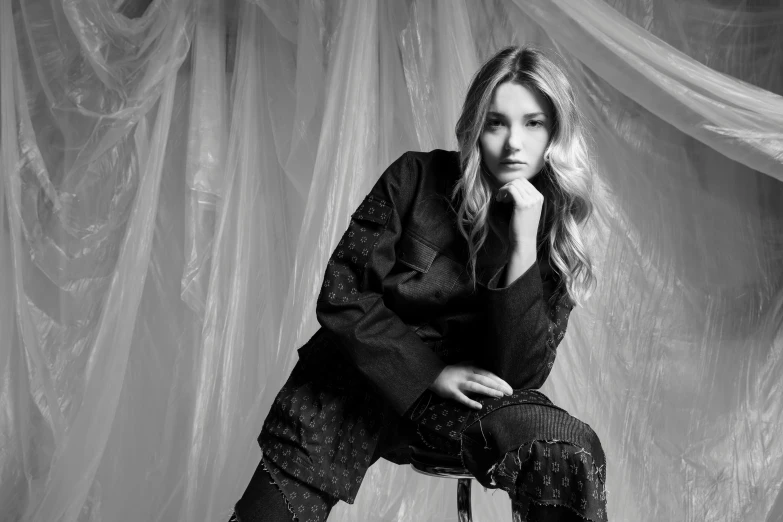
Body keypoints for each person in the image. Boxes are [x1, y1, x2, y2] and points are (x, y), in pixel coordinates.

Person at [229, 45, 607, 522]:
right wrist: (429, 371)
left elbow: (517, 377)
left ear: (555, 132)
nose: (514, 143)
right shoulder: (416, 176)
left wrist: (523, 245)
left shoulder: (551, 231)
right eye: (497, 123)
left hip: (458, 412)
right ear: (475, 127)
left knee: (566, 446)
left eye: (533, 123)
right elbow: (342, 295)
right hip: (351, 384)